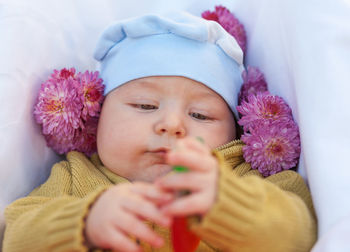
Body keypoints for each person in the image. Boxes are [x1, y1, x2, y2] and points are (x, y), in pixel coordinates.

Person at [2, 11, 316, 252]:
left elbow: (301, 234)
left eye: (200, 114)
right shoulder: (74, 179)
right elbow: (15, 237)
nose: (173, 125)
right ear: (99, 117)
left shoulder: (244, 179)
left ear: (235, 130)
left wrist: (230, 203)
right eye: (145, 106)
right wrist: (84, 223)